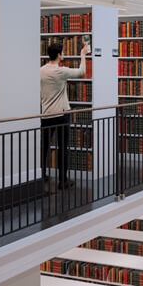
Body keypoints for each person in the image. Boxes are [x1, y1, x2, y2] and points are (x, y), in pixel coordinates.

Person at [40, 39, 90, 191]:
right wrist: (83, 55)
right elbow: (81, 71)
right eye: (62, 53)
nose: (64, 55)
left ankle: (41, 175)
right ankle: (63, 180)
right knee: (63, 148)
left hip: (46, 114)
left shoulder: (41, 70)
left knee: (44, 147)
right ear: (59, 55)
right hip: (61, 114)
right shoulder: (60, 71)